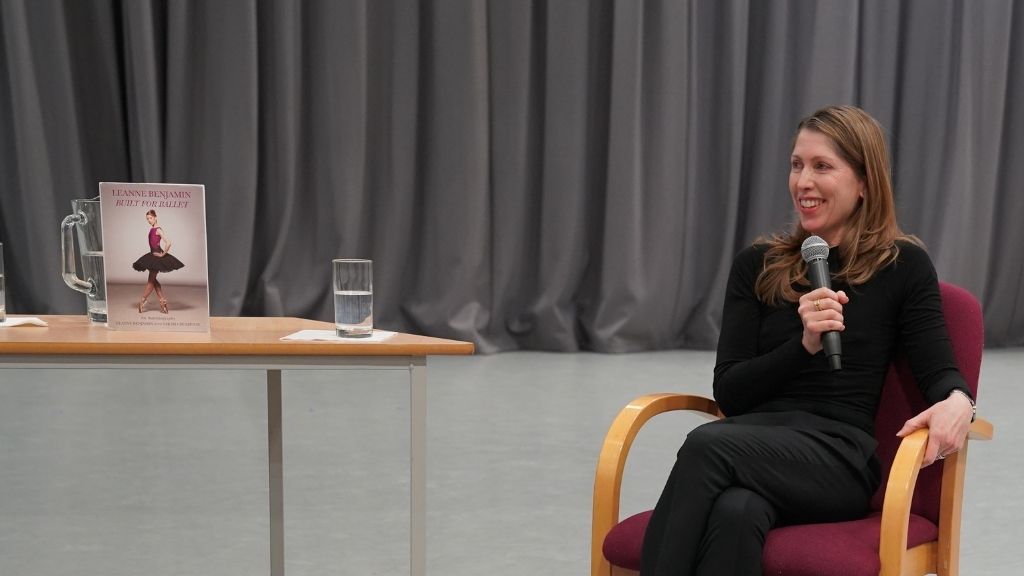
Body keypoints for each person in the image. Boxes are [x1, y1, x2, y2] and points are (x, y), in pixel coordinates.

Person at [640, 105, 976, 575]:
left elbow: (938, 369)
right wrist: (803, 347)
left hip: (838, 459)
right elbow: (731, 392)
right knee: (738, 511)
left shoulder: (901, 265)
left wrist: (960, 400)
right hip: (754, 445)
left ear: (864, 182)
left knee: (706, 445)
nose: (803, 182)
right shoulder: (757, 264)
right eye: (797, 165)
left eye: (822, 167)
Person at [132, 209, 185, 313]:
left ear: (155, 217)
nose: (149, 220)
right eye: (147, 219)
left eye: (150, 218)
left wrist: (163, 254)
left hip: (156, 256)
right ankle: (162, 302)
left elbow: (168, 242)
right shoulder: (152, 229)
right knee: (154, 281)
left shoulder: (158, 229)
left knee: (151, 281)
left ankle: (142, 301)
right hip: (151, 255)